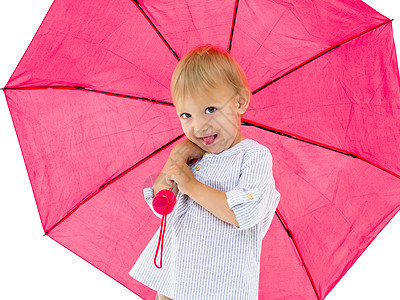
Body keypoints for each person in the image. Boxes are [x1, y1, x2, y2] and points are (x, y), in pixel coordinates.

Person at [128, 44, 281, 300]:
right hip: (175, 283)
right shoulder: (193, 158)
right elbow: (161, 205)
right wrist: (176, 158)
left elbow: (244, 213)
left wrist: (191, 185)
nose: (199, 126)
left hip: (223, 288)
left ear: (240, 103)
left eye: (210, 110)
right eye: (186, 115)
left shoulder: (253, 156)